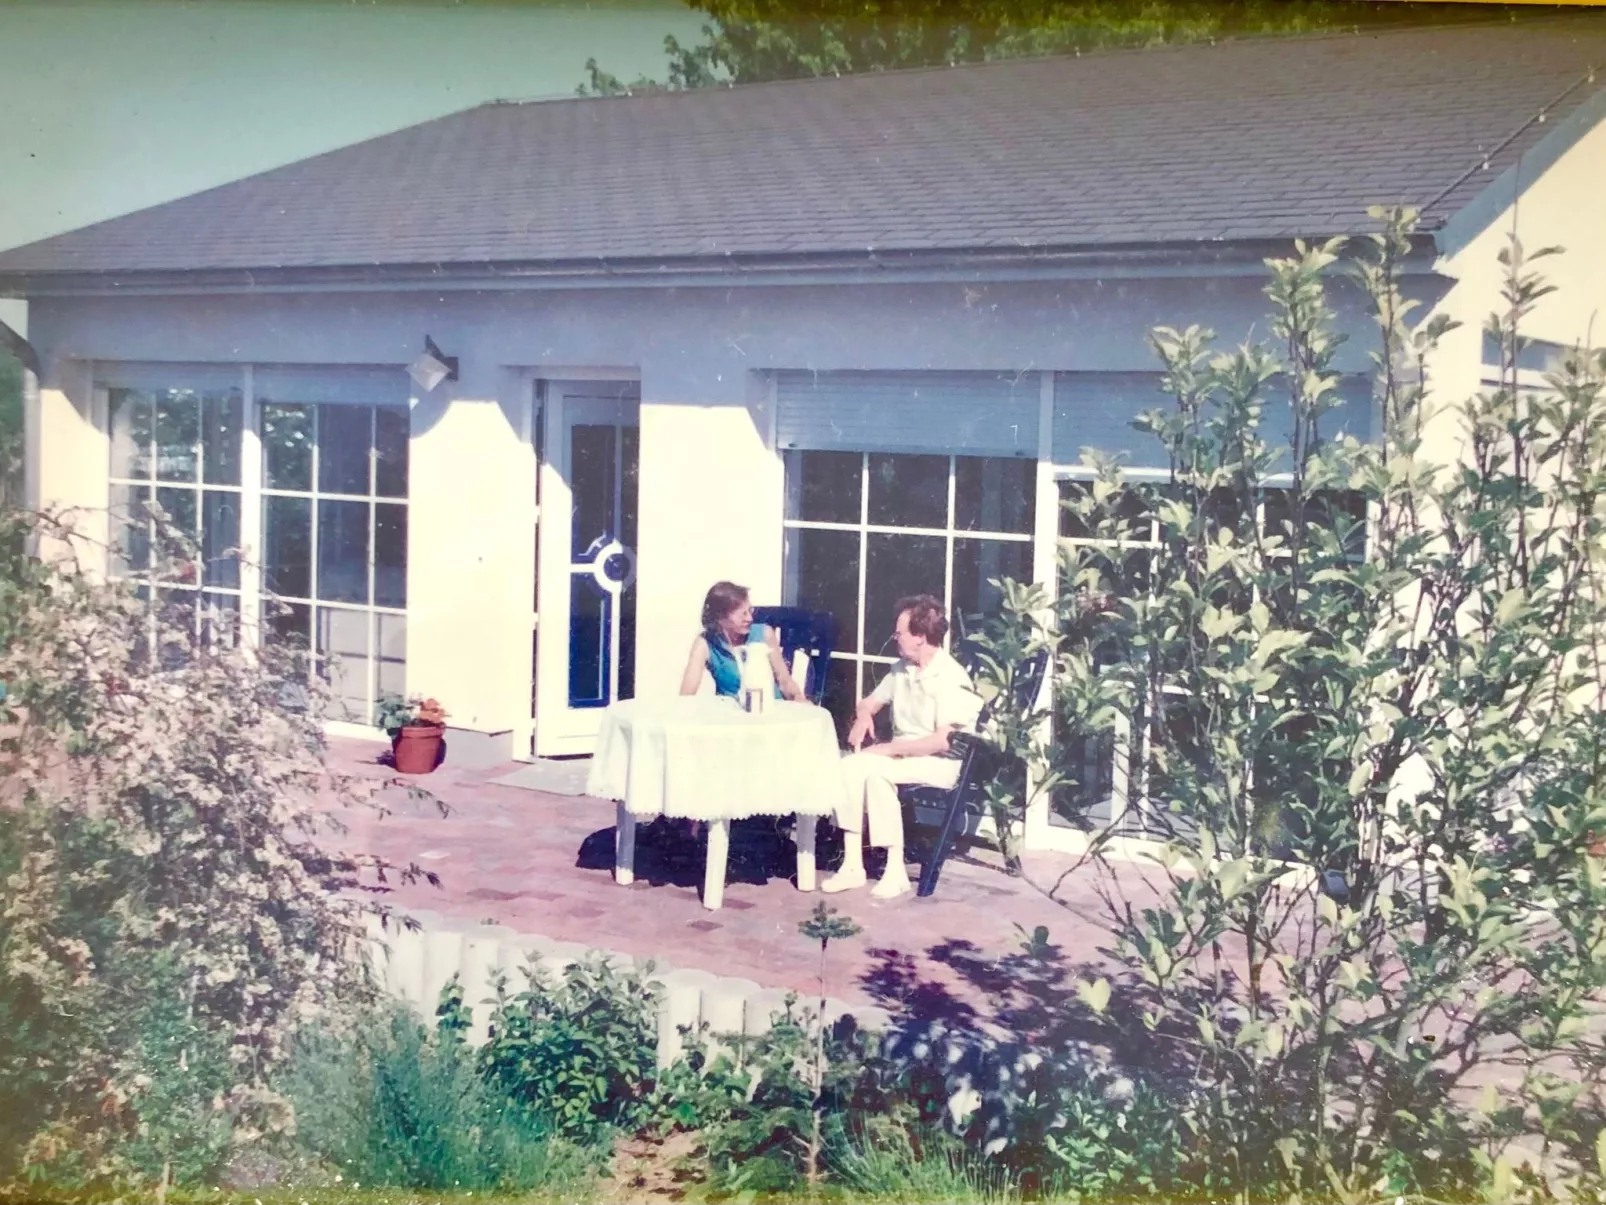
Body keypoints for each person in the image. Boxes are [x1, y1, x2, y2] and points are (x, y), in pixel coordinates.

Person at [821, 594, 983, 899]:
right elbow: (869, 701)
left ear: (920, 637)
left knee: (875, 772)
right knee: (851, 767)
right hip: (903, 757)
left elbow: (942, 741)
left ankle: (895, 870)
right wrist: (864, 716)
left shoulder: (950, 676)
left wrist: (888, 749)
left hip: (939, 761)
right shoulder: (902, 669)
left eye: (900, 633)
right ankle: (854, 864)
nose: (895, 638)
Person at [679, 580, 806, 702]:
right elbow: (686, 695)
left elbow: (784, 680)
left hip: (769, 707)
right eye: (743, 614)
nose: (750, 618)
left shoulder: (764, 634)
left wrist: (798, 697)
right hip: (732, 713)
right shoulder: (705, 644)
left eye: (750, 611)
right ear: (721, 617)